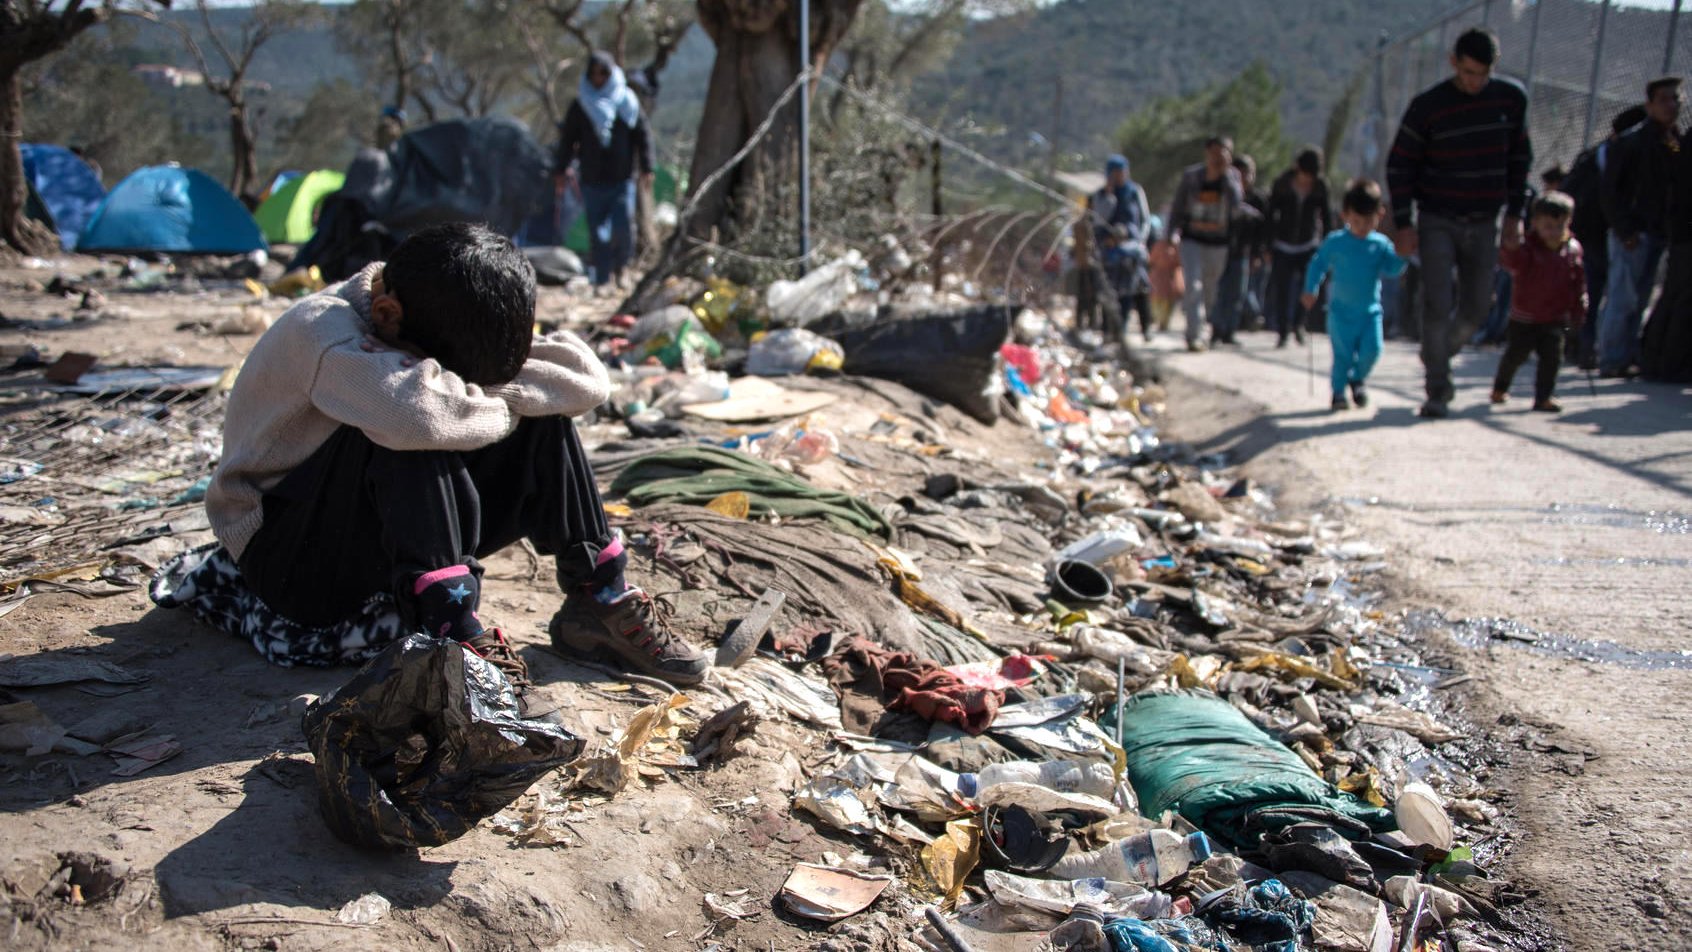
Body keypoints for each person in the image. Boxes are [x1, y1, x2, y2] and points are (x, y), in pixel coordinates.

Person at [205, 223, 710, 703]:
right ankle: (451, 640)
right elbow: (417, 416)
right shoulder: (324, 333)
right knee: (415, 426)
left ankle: (597, 600)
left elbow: (586, 380)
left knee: (542, 420)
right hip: (291, 562)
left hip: (369, 540)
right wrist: (491, 400)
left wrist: (487, 394)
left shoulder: (450, 303)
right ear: (384, 314)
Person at [1387, 26, 1532, 419]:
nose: (1474, 82)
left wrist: (1515, 215)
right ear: (1453, 63)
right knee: (1437, 303)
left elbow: (1520, 160)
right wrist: (1403, 222)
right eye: (1468, 73)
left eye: (1482, 74)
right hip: (1437, 218)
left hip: (1485, 219)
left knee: (1477, 308)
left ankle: (1437, 352)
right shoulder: (1428, 107)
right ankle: (1438, 388)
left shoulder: (1510, 99)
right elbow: (1400, 165)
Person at [1597, 77, 1683, 378]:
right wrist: (1625, 229)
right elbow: (1609, 191)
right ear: (1649, 105)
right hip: (1633, 234)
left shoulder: (1672, 142)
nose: (1671, 105)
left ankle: (1625, 356)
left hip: (1658, 233)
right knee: (1624, 297)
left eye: (1675, 99)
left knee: (1641, 297)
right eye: (1664, 99)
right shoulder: (1633, 142)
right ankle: (1610, 359)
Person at [1301, 179, 1408, 411]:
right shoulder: (1336, 242)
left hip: (1370, 312)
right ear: (1345, 215)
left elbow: (1391, 268)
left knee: (1374, 349)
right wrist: (1311, 288)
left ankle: (1357, 379)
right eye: (1357, 221)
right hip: (1340, 313)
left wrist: (1402, 255)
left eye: (1369, 221)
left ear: (1380, 215)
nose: (1362, 227)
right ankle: (1338, 392)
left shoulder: (1379, 245)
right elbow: (1318, 264)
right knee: (1342, 356)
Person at [556, 51, 656, 290]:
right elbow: (568, 140)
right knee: (597, 232)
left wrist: (647, 166)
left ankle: (622, 269)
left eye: (603, 73)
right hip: (591, 179)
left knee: (623, 227)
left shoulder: (626, 102)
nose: (598, 78)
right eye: (594, 73)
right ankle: (602, 278)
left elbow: (642, 134)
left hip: (622, 178)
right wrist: (560, 170)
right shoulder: (581, 104)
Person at [1561, 105, 1648, 369]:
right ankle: (1591, 349)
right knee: (1602, 294)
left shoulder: (1595, 155)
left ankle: (1587, 348)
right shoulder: (1619, 154)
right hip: (1604, 235)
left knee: (1599, 294)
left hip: (1597, 234)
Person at [1490, 192, 1586, 412]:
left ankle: (1544, 396)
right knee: (1515, 355)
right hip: (1524, 316)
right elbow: (1510, 263)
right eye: (1548, 226)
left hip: (1555, 316)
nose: (1554, 232)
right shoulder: (1527, 249)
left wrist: (1578, 310)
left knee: (1552, 358)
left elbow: (1578, 284)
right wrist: (1509, 247)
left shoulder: (1572, 251)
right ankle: (1500, 387)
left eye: (1560, 226)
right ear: (1534, 224)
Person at [1169, 136, 1245, 351]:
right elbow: (1177, 206)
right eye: (1214, 153)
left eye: (1223, 154)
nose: (1218, 158)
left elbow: (1237, 206)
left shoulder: (1232, 178)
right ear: (1207, 153)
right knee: (1193, 286)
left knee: (1210, 289)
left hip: (1218, 243)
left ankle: (1204, 324)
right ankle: (1194, 334)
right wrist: (1170, 235)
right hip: (1192, 239)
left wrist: (1226, 177)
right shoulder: (1192, 177)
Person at [1640, 117, 1692, 383]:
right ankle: (1667, 364)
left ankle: (1657, 361)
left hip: (1680, 230)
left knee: (1674, 296)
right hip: (1685, 233)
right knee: (1682, 299)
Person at [1266, 147, 1334, 348]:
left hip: (1308, 243)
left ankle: (1298, 324)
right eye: (1304, 175)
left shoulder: (1320, 186)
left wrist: (1328, 245)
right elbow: (1270, 215)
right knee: (1282, 289)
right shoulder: (1282, 184)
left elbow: (1327, 217)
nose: (1307, 180)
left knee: (1308, 286)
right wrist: (1268, 244)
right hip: (1283, 243)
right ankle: (1282, 330)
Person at [1214, 154, 1268, 345]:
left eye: (1248, 173)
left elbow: (1262, 231)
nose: (1245, 178)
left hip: (1244, 252)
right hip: (1221, 250)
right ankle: (1217, 330)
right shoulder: (1224, 194)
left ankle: (1230, 330)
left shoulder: (1258, 200)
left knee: (1238, 293)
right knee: (1219, 292)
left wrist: (1257, 254)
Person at [1101, 225, 1150, 342]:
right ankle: (1111, 334)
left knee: (1130, 310)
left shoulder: (1132, 248)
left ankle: (1142, 332)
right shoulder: (1110, 251)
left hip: (1133, 286)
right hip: (1118, 288)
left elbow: (1142, 256)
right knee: (1114, 311)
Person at [1147, 223, 1183, 336]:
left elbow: (1179, 261)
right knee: (1156, 299)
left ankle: (1165, 322)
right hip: (1158, 276)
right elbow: (1151, 259)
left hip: (1171, 277)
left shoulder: (1176, 247)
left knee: (1169, 300)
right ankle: (1157, 319)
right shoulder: (1159, 245)